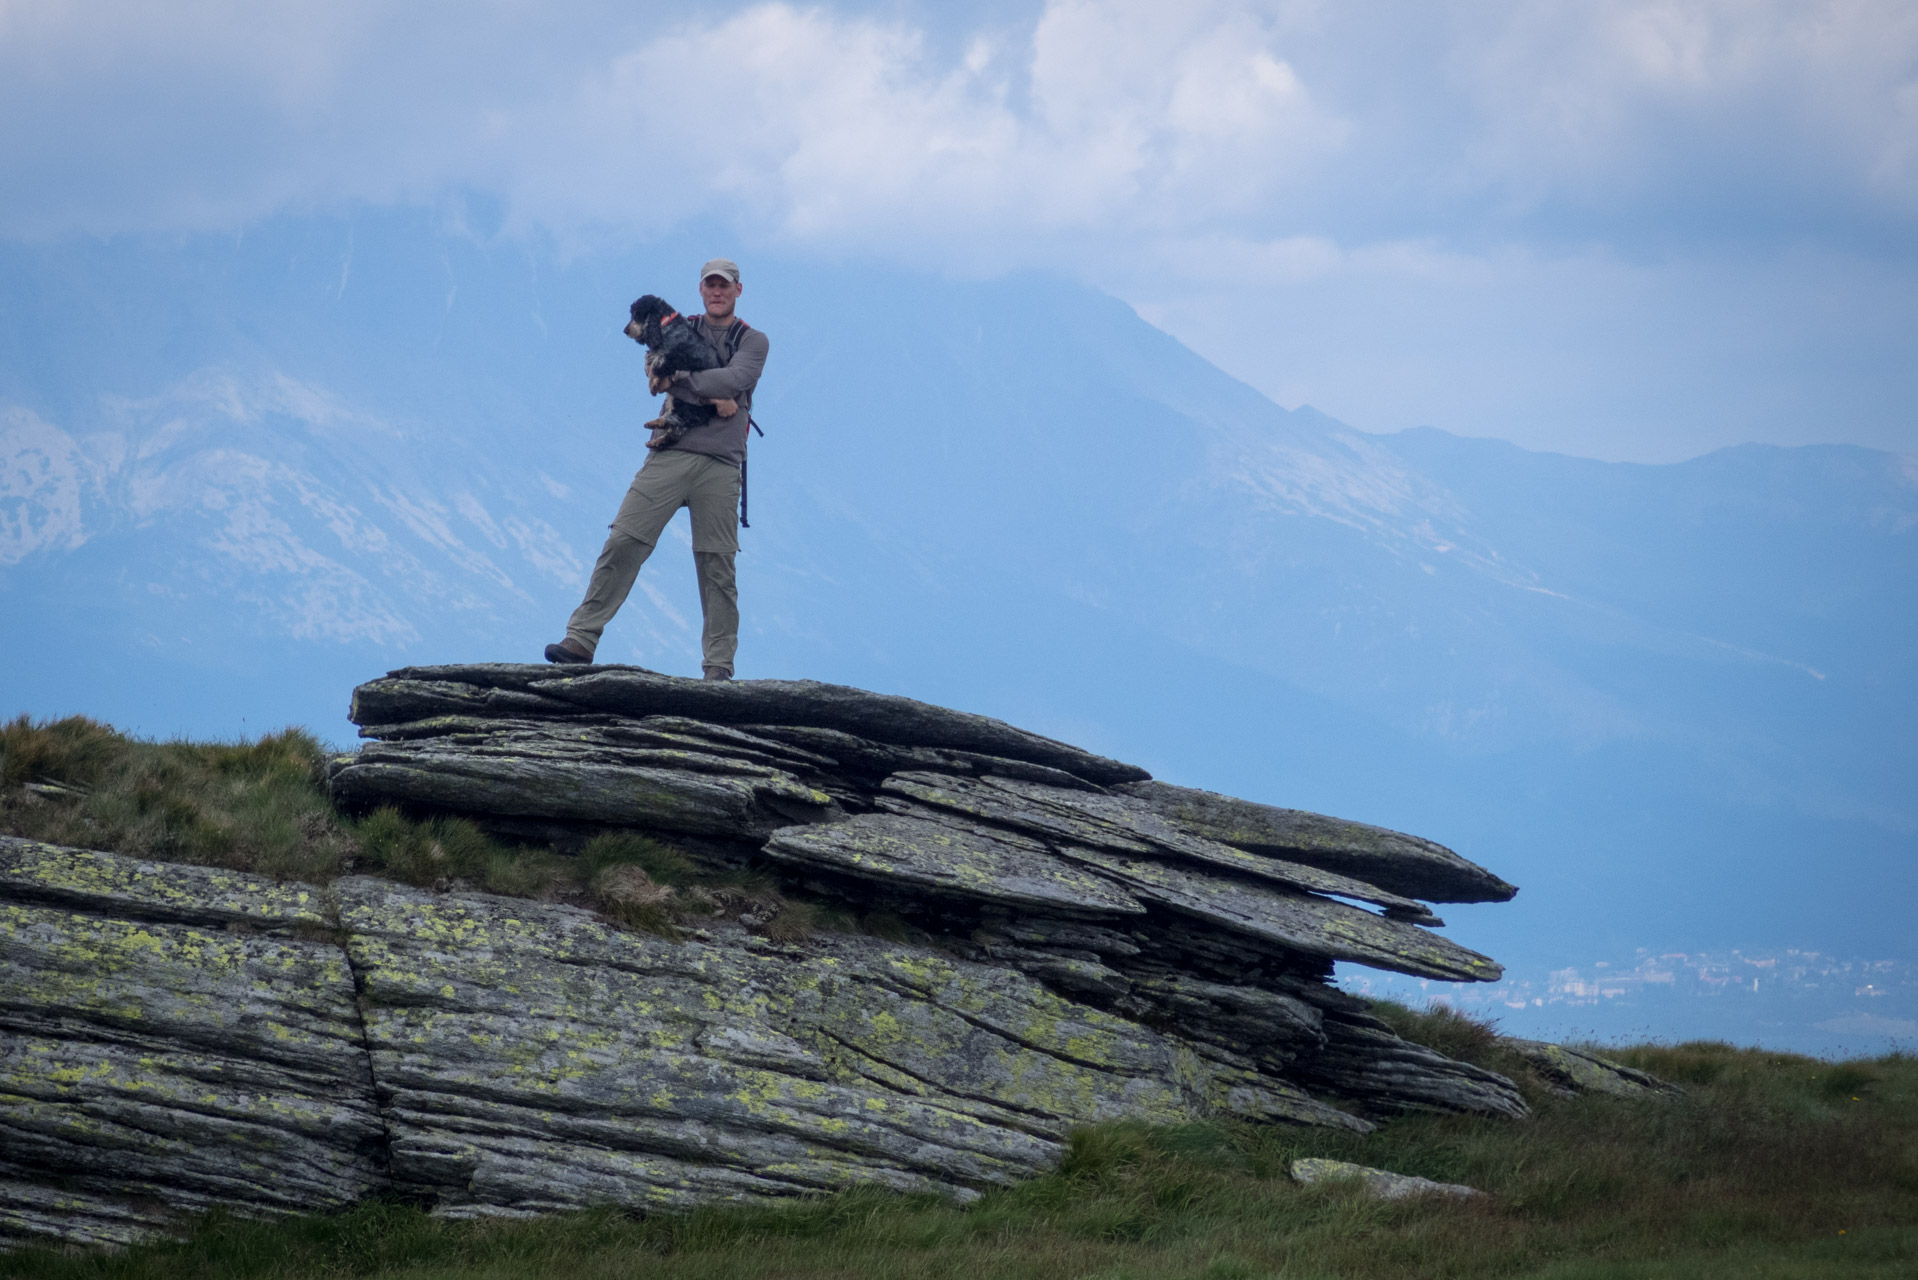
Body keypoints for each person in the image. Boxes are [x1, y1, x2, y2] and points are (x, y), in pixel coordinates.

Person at [544, 258, 770, 679]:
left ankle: (718, 668)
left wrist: (681, 378)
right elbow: (652, 370)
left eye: (725, 285)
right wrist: (711, 393)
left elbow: (732, 382)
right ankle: (581, 639)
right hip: (670, 451)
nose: (717, 292)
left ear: (739, 290)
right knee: (625, 540)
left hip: (721, 466)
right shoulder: (676, 324)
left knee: (717, 565)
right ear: (701, 290)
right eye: (710, 285)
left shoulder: (753, 340)